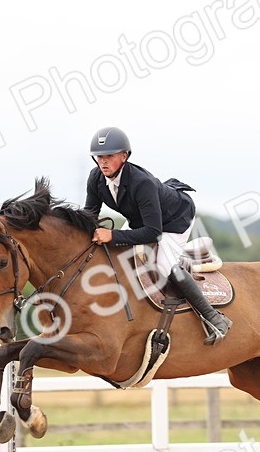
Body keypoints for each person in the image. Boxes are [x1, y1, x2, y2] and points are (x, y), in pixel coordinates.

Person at [84, 126, 232, 345]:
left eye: (109, 156)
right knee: (117, 255)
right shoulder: (96, 178)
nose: (103, 162)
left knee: (164, 265)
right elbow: (89, 217)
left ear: (124, 157)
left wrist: (112, 236)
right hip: (143, 219)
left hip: (174, 218)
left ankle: (214, 317)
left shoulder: (141, 182)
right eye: (99, 157)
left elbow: (153, 233)